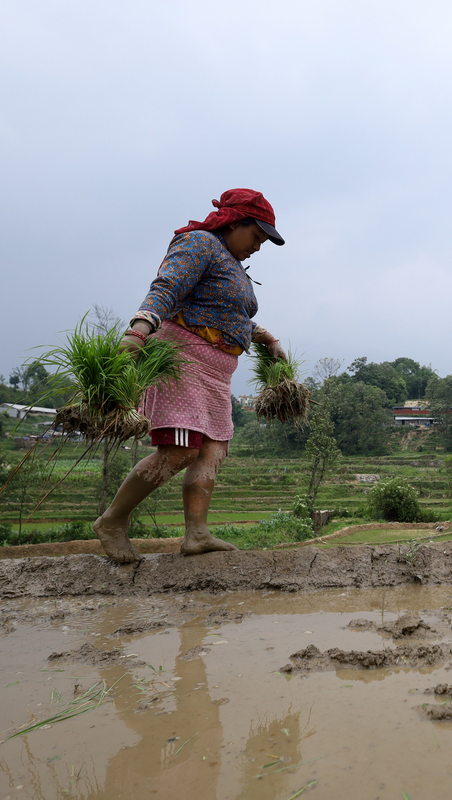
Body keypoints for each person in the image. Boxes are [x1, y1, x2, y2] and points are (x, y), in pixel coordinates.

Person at [92, 189, 289, 563]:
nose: (257, 247)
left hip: (218, 372)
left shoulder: (232, 263)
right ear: (233, 222)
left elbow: (230, 315)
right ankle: (112, 520)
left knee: (214, 450)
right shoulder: (199, 243)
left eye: (263, 242)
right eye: (256, 236)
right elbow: (166, 288)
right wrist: (139, 329)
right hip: (185, 360)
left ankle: (197, 533)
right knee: (181, 449)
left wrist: (267, 338)